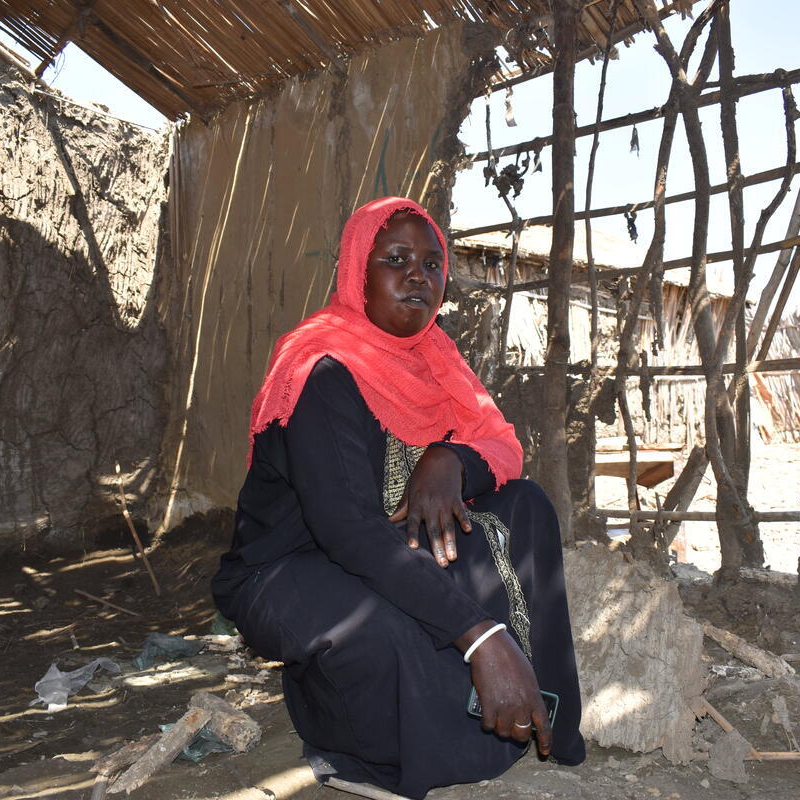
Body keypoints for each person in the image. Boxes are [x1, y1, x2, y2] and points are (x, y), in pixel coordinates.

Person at [211, 197, 585, 799]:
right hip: (293, 569)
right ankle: (342, 726)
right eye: (396, 259)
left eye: (434, 264)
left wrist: (451, 460)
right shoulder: (321, 369)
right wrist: (480, 636)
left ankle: (544, 709)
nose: (420, 275)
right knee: (390, 635)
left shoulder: (436, 360)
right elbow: (346, 528)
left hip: (387, 545)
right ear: (359, 271)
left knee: (526, 506)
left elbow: (503, 448)